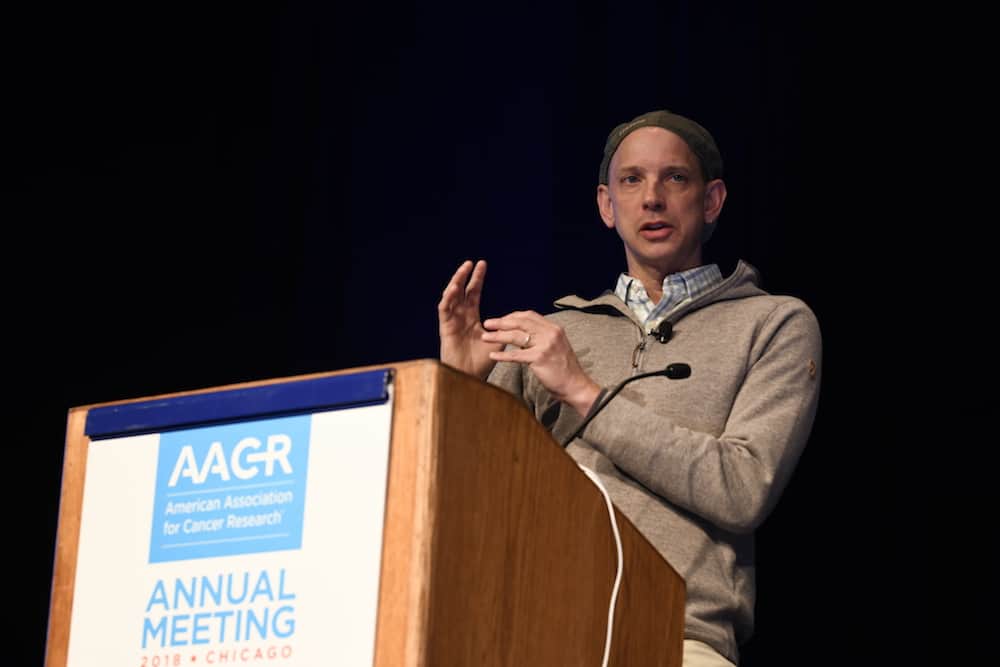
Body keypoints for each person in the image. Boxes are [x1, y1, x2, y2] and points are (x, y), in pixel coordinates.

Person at [436, 109, 822, 667]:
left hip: (677, 637)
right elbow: (470, 502)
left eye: (676, 178)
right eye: (632, 180)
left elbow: (742, 487)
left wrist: (586, 393)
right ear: (605, 205)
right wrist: (461, 387)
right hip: (534, 632)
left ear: (711, 200)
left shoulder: (773, 324)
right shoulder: (549, 335)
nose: (653, 198)